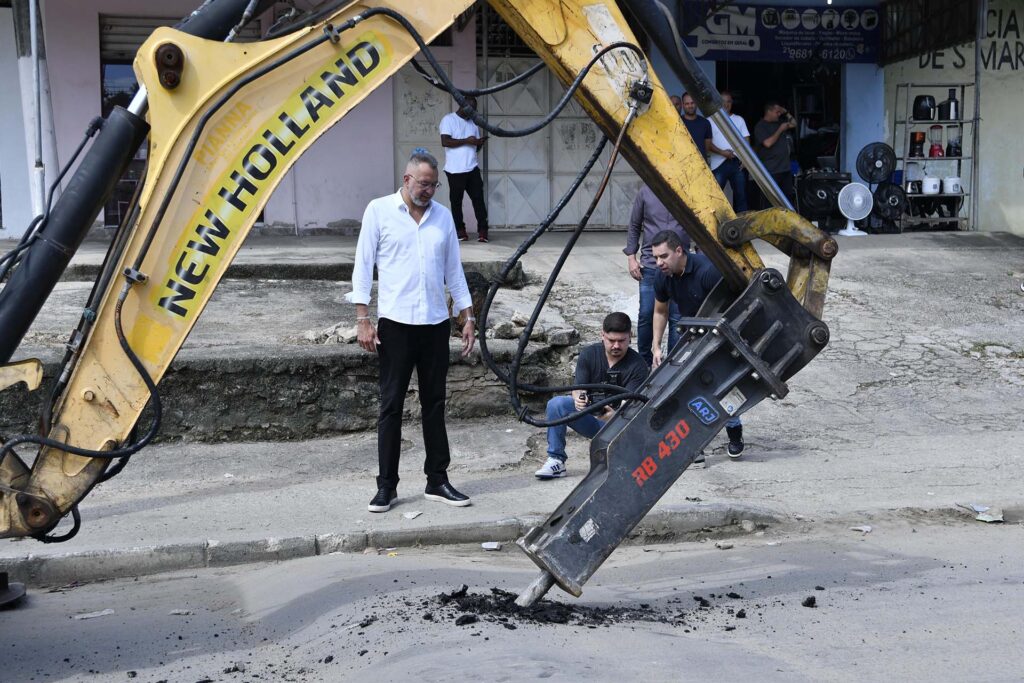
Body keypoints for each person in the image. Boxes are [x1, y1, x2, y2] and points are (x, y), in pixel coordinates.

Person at [350, 150, 477, 512]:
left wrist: (467, 316)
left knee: (434, 404)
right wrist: (363, 317)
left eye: (434, 185)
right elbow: (363, 266)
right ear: (406, 180)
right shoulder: (379, 211)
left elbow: (454, 270)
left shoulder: (443, 218)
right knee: (390, 407)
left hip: (435, 324)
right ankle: (386, 486)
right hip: (397, 325)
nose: (429, 191)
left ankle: (437, 480)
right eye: (423, 184)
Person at [649, 230, 745, 459]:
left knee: (721, 388)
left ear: (679, 250)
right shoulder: (663, 276)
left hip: (721, 335)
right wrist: (656, 345)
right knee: (684, 387)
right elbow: (660, 311)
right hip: (691, 334)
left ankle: (734, 433)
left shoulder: (707, 272)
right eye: (655, 258)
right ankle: (694, 443)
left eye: (663, 256)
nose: (659, 262)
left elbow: (736, 306)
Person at [535, 312, 649, 479]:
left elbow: (631, 408)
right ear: (602, 335)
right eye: (611, 341)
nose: (616, 346)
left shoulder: (638, 365)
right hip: (591, 417)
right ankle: (555, 460)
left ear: (630, 337)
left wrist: (614, 416)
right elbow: (578, 387)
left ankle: (620, 454)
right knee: (556, 404)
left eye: (621, 341)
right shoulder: (589, 354)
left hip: (620, 426)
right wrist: (579, 399)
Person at [624, 184, 691, 366]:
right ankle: (644, 363)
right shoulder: (645, 191)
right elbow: (635, 225)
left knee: (677, 317)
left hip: (680, 266)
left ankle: (673, 365)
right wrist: (631, 257)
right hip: (651, 265)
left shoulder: (687, 189)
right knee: (647, 314)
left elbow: (698, 223)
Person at [439, 96, 489, 242]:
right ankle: (460, 231)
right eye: (471, 108)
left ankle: (483, 231)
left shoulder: (473, 123)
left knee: (478, 200)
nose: (473, 112)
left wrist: (479, 143)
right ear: (462, 106)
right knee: (456, 202)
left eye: (474, 109)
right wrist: (468, 140)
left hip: (472, 168)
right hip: (455, 170)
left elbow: (474, 147)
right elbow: (445, 141)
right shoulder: (448, 120)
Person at [706, 90, 750, 212]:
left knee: (741, 196)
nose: (726, 104)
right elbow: (708, 144)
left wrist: (746, 160)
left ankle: (742, 225)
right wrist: (722, 152)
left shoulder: (739, 119)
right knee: (716, 198)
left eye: (729, 101)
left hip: (737, 163)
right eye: (722, 101)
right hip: (718, 163)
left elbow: (746, 140)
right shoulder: (710, 120)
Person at [753, 101, 797, 209]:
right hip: (771, 171)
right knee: (770, 202)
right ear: (769, 111)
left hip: (785, 169)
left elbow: (794, 123)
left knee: (787, 200)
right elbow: (768, 143)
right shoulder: (760, 126)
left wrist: (785, 112)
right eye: (777, 112)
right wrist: (780, 130)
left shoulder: (779, 122)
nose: (779, 114)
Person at [680, 92, 712, 159]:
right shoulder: (678, 122)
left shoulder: (705, 123)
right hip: (681, 164)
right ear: (683, 105)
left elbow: (707, 147)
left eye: (692, 103)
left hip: (701, 164)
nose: (690, 106)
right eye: (687, 104)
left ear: (696, 103)